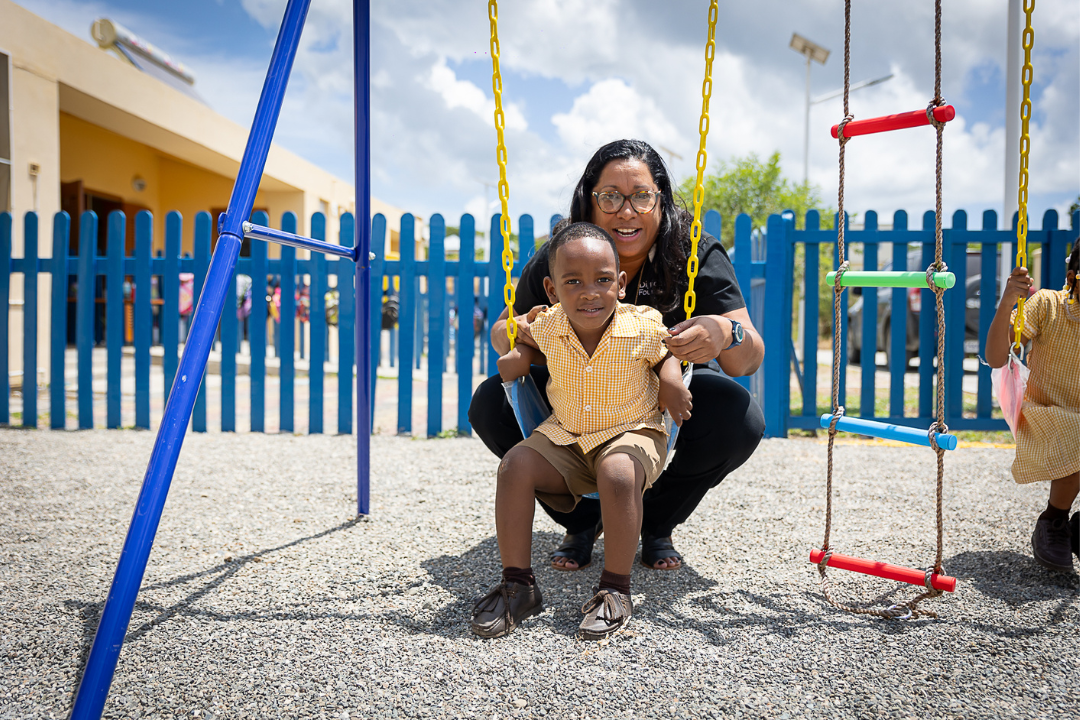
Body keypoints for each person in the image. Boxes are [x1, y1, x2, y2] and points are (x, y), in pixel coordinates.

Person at [469, 139, 766, 572]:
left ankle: (657, 523)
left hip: (658, 412)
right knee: (491, 401)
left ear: (660, 200)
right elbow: (502, 332)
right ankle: (582, 520)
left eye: (641, 196)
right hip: (574, 404)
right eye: (609, 197)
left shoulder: (694, 251)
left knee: (738, 416)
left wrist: (725, 330)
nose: (626, 212)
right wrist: (521, 330)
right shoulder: (564, 253)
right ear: (588, 204)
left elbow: (747, 360)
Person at [469, 223, 692, 639]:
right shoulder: (549, 323)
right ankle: (518, 584)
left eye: (603, 280)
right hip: (567, 436)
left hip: (633, 432)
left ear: (621, 284)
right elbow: (518, 341)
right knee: (515, 466)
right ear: (552, 291)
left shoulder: (642, 324)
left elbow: (666, 353)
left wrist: (673, 381)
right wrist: (517, 354)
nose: (590, 292)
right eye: (574, 281)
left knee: (619, 473)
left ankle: (615, 590)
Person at [986, 238, 1080, 573]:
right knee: (1077, 431)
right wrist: (1008, 302)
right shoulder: (1048, 305)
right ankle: (1054, 520)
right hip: (1044, 413)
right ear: (1072, 278)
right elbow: (997, 357)